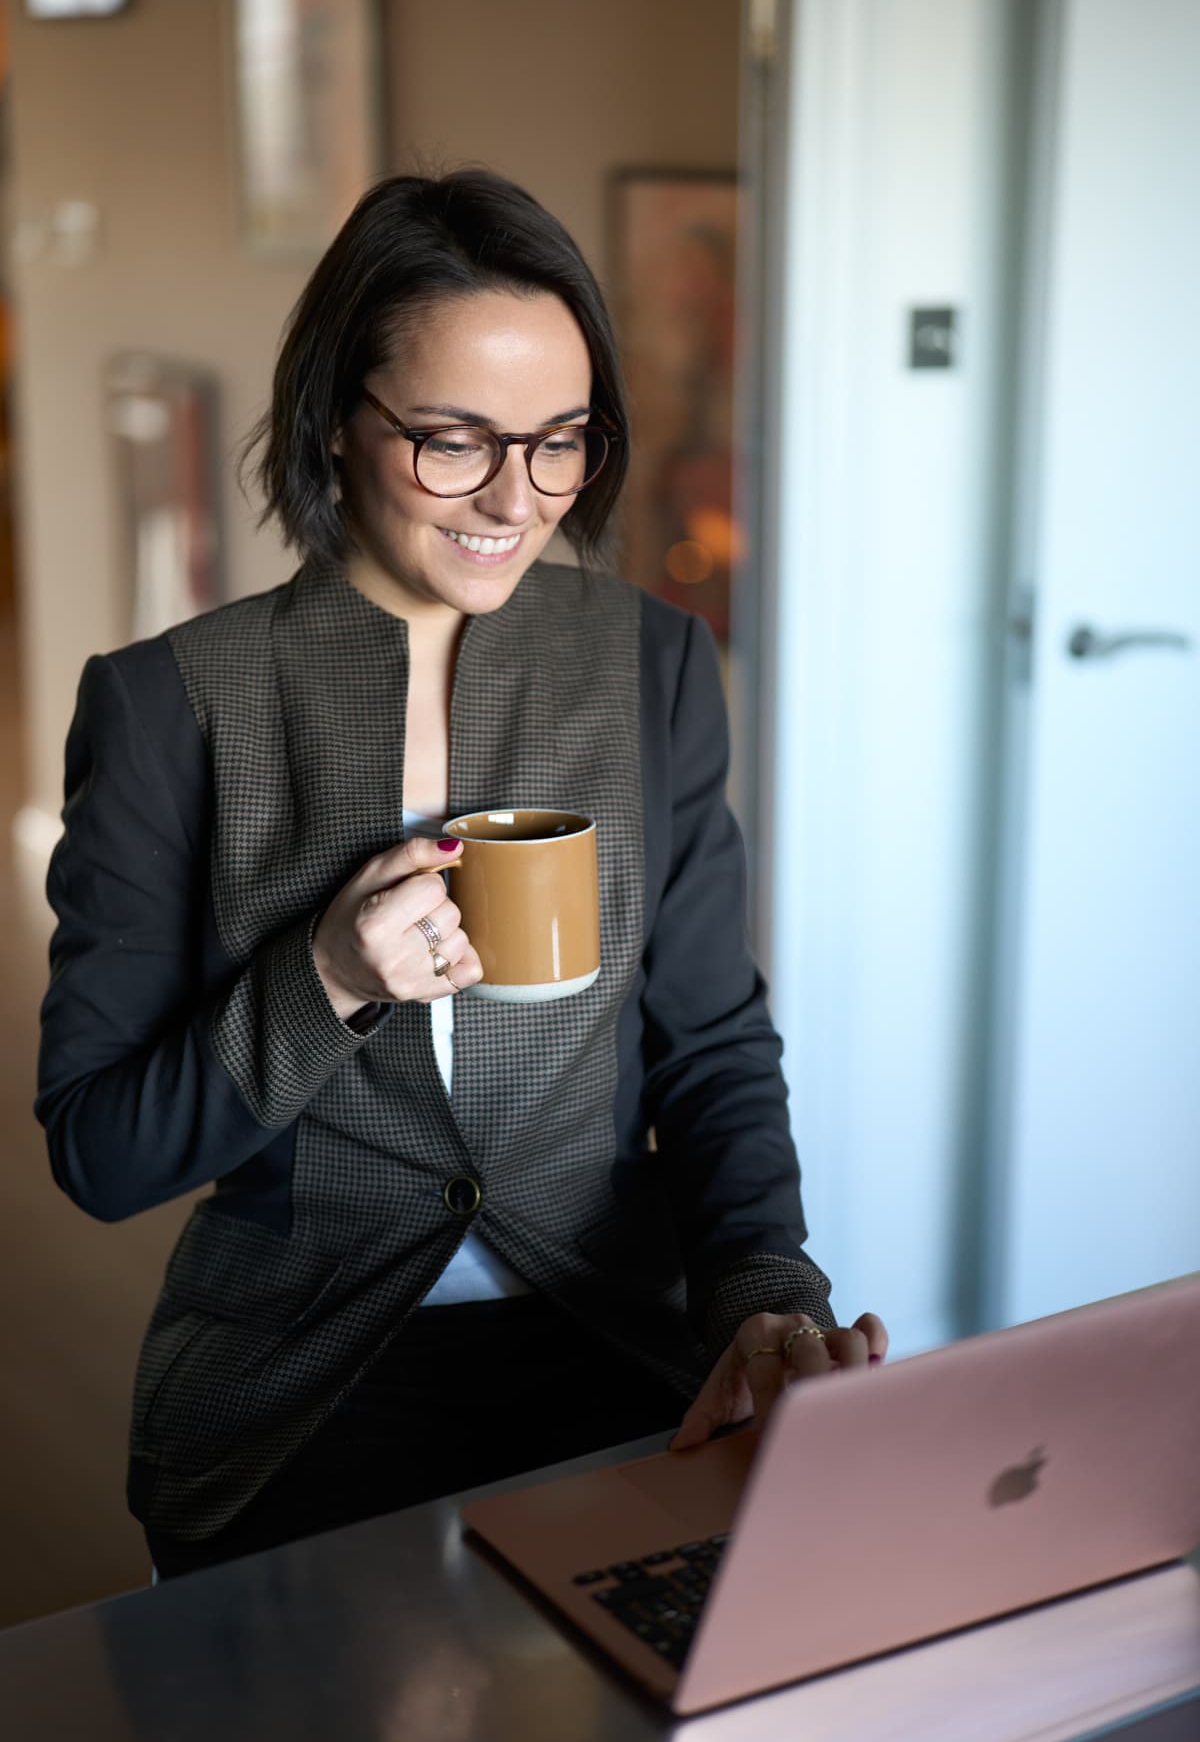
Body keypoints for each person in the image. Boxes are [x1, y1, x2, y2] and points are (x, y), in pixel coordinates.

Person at [36, 169, 886, 1580]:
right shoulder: (171, 706)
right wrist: (323, 977)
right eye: (453, 441)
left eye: (562, 441)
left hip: (614, 1349)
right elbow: (102, 1151)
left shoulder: (648, 667)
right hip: (299, 1388)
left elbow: (714, 1046)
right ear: (332, 422)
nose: (516, 496)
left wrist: (762, 1295)